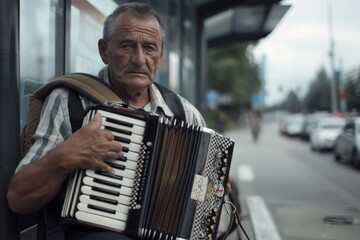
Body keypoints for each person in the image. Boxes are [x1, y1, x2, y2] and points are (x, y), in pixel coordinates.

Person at [7, 3, 229, 240]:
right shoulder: (68, 102)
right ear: (104, 51)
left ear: (160, 56)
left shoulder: (185, 114)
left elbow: (211, 218)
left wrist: (210, 194)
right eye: (126, 46)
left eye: (150, 48)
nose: (139, 59)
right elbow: (19, 198)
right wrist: (67, 155)